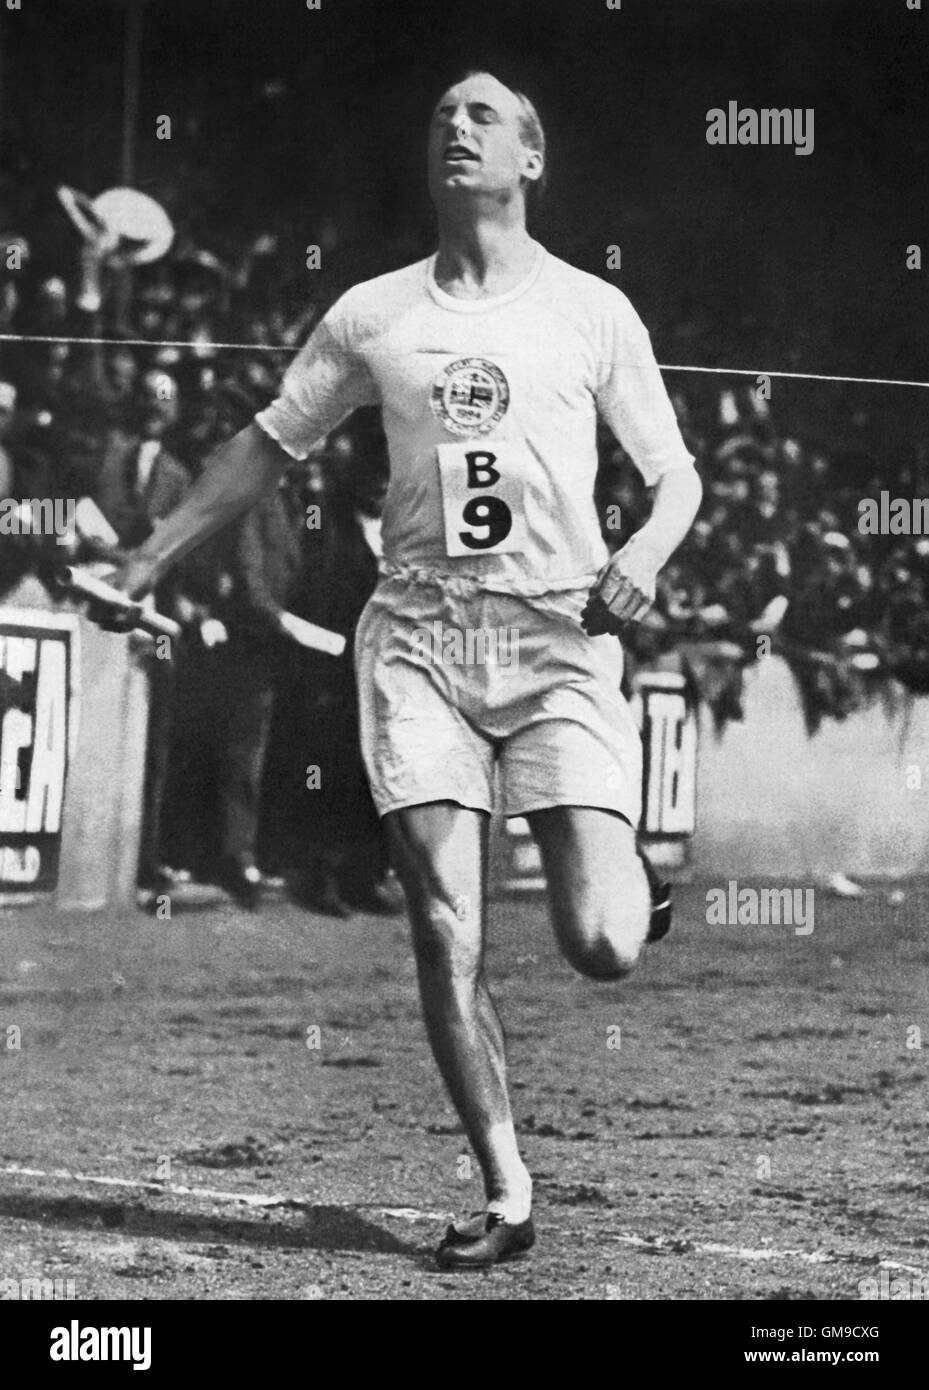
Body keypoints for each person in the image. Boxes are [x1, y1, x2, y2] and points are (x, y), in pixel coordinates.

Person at [108, 69, 702, 1268]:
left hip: (554, 635)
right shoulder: (373, 313)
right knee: (442, 921)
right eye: (439, 115)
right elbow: (266, 447)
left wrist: (641, 554)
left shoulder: (591, 310)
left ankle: (622, 874)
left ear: (531, 157)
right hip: (420, 637)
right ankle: (506, 1191)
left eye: (481, 115)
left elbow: (674, 475)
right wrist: (147, 556)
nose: (454, 127)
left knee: (600, 943)